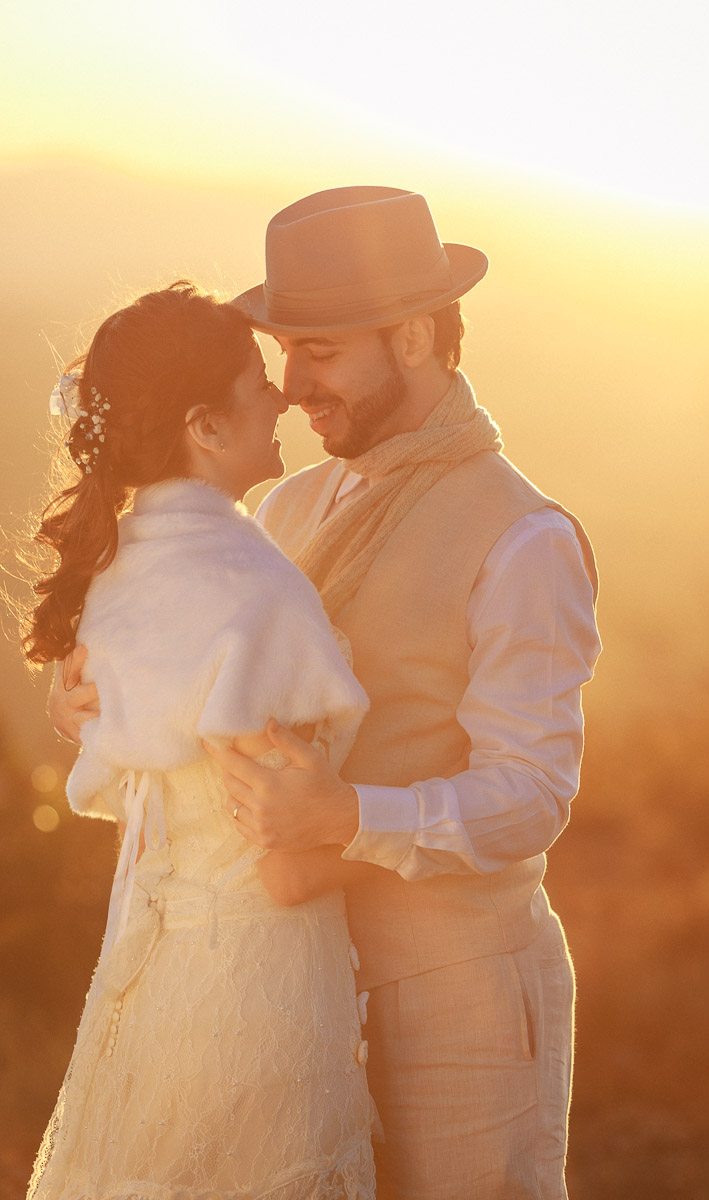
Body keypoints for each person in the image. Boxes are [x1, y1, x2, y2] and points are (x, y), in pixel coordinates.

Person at [52, 187, 602, 1200]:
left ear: (412, 337)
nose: (292, 385)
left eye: (320, 351)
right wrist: (103, 710)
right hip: (294, 995)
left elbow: (530, 798)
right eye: (284, 351)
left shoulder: (525, 539)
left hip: (458, 991)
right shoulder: (282, 506)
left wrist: (347, 815)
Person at [25, 282, 376, 1200]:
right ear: (206, 425)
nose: (282, 397)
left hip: (146, 980)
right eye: (257, 381)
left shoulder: (115, 574)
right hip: (258, 989)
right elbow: (290, 864)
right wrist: (434, 856)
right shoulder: (255, 593)